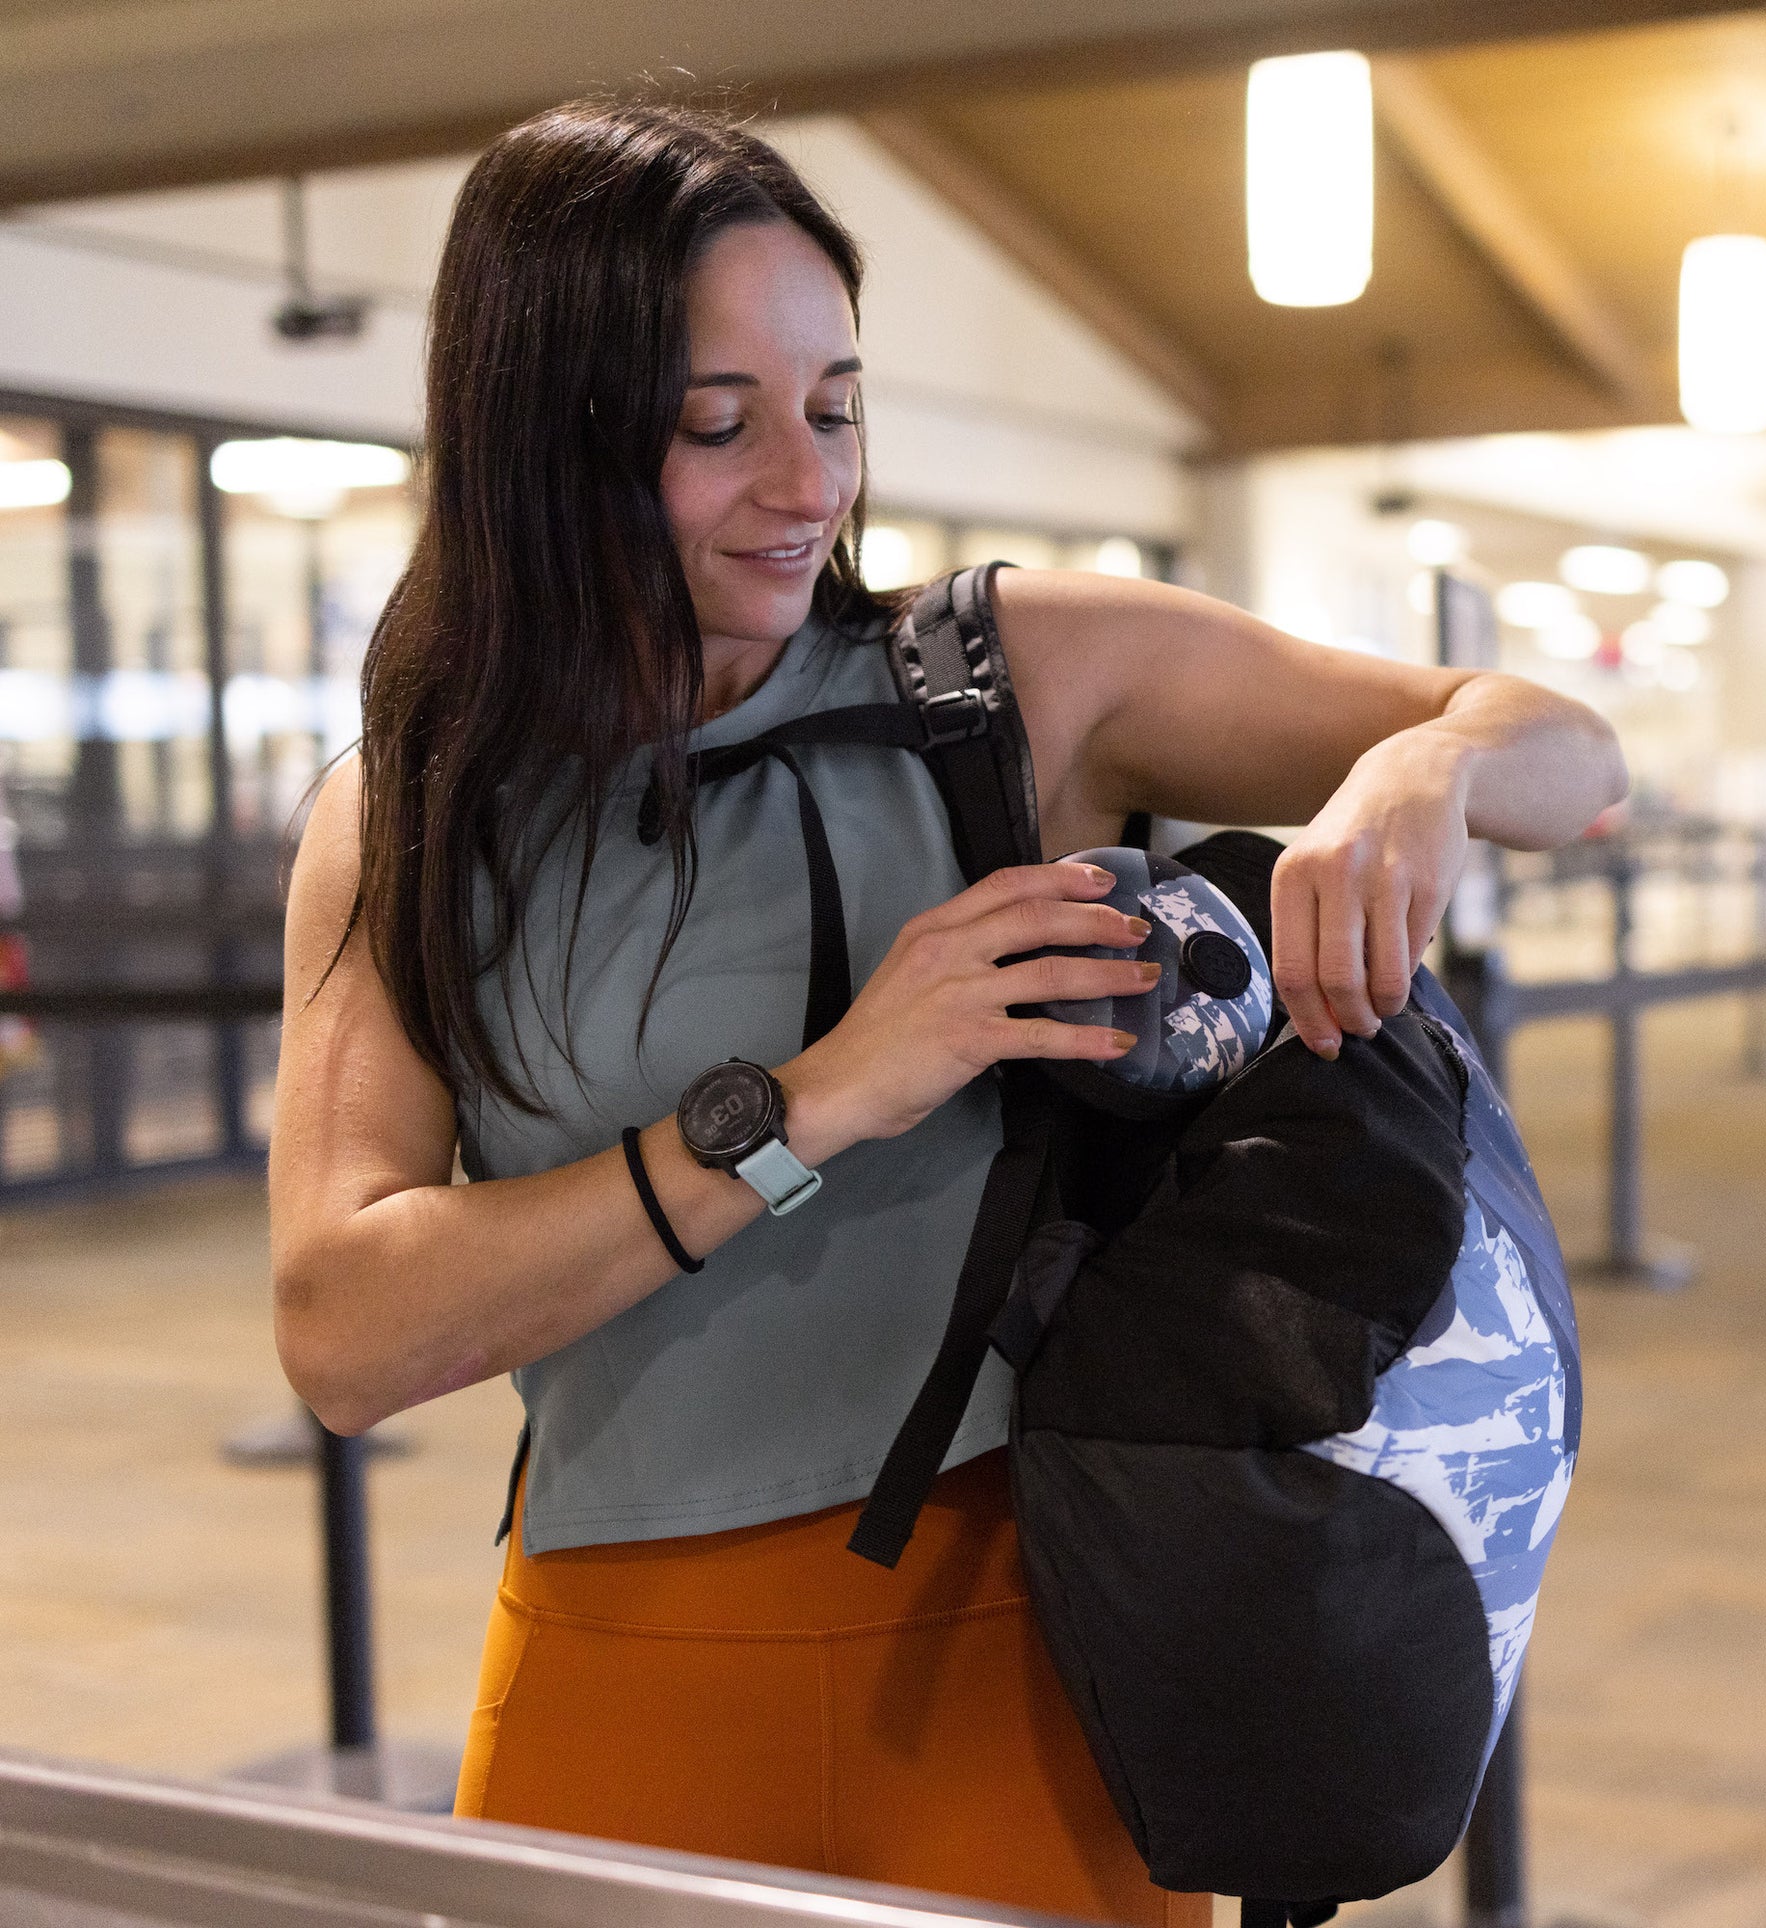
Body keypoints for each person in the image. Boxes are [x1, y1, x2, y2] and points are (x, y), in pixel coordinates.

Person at [268, 97, 1626, 1928]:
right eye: (712, 425)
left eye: (832, 408)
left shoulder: (1007, 685)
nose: (806, 484)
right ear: (543, 437)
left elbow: (1567, 745)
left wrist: (1426, 773)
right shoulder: (417, 811)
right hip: (619, 1679)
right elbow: (344, 1336)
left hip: (1023, 1672)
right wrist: (815, 1101)